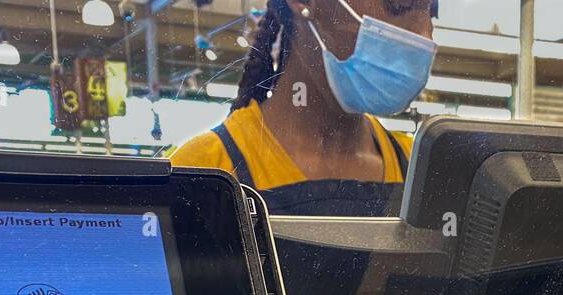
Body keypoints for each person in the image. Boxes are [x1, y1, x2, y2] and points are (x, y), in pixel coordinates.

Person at [170, 0, 436, 216]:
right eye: (398, 4)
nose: (425, 34)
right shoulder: (199, 170)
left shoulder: (421, 167)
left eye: (431, 10)